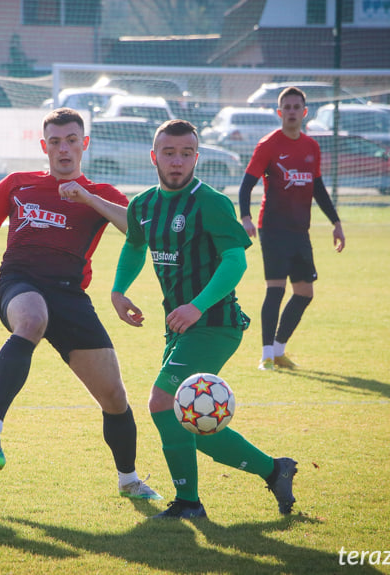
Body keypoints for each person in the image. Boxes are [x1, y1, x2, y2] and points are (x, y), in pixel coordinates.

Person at [0, 107, 161, 501]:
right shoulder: (18, 184)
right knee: (32, 320)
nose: (63, 149)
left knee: (115, 397)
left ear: (84, 144)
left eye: (71, 140)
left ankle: (129, 480)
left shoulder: (99, 193)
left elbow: (139, 231)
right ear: (43, 146)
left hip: (70, 295)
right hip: (19, 283)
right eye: (55, 141)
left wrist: (88, 199)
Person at [111, 119, 297, 519]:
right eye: (168, 152)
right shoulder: (142, 204)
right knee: (186, 418)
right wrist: (118, 289)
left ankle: (189, 503)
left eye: (186, 153)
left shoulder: (210, 202)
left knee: (163, 403)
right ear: (154, 156)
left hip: (215, 323)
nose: (177, 161)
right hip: (178, 327)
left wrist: (196, 304)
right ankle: (274, 469)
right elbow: (133, 245)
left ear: (197, 156)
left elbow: (236, 259)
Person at [238, 86, 345, 371]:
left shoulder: (312, 146)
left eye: (297, 107)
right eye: (287, 107)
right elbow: (247, 183)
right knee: (275, 290)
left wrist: (336, 222)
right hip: (273, 229)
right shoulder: (268, 145)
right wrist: (245, 217)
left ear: (305, 112)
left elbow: (318, 188)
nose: (292, 112)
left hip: (300, 231)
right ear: (279, 112)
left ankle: (279, 350)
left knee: (304, 293)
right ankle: (265, 356)